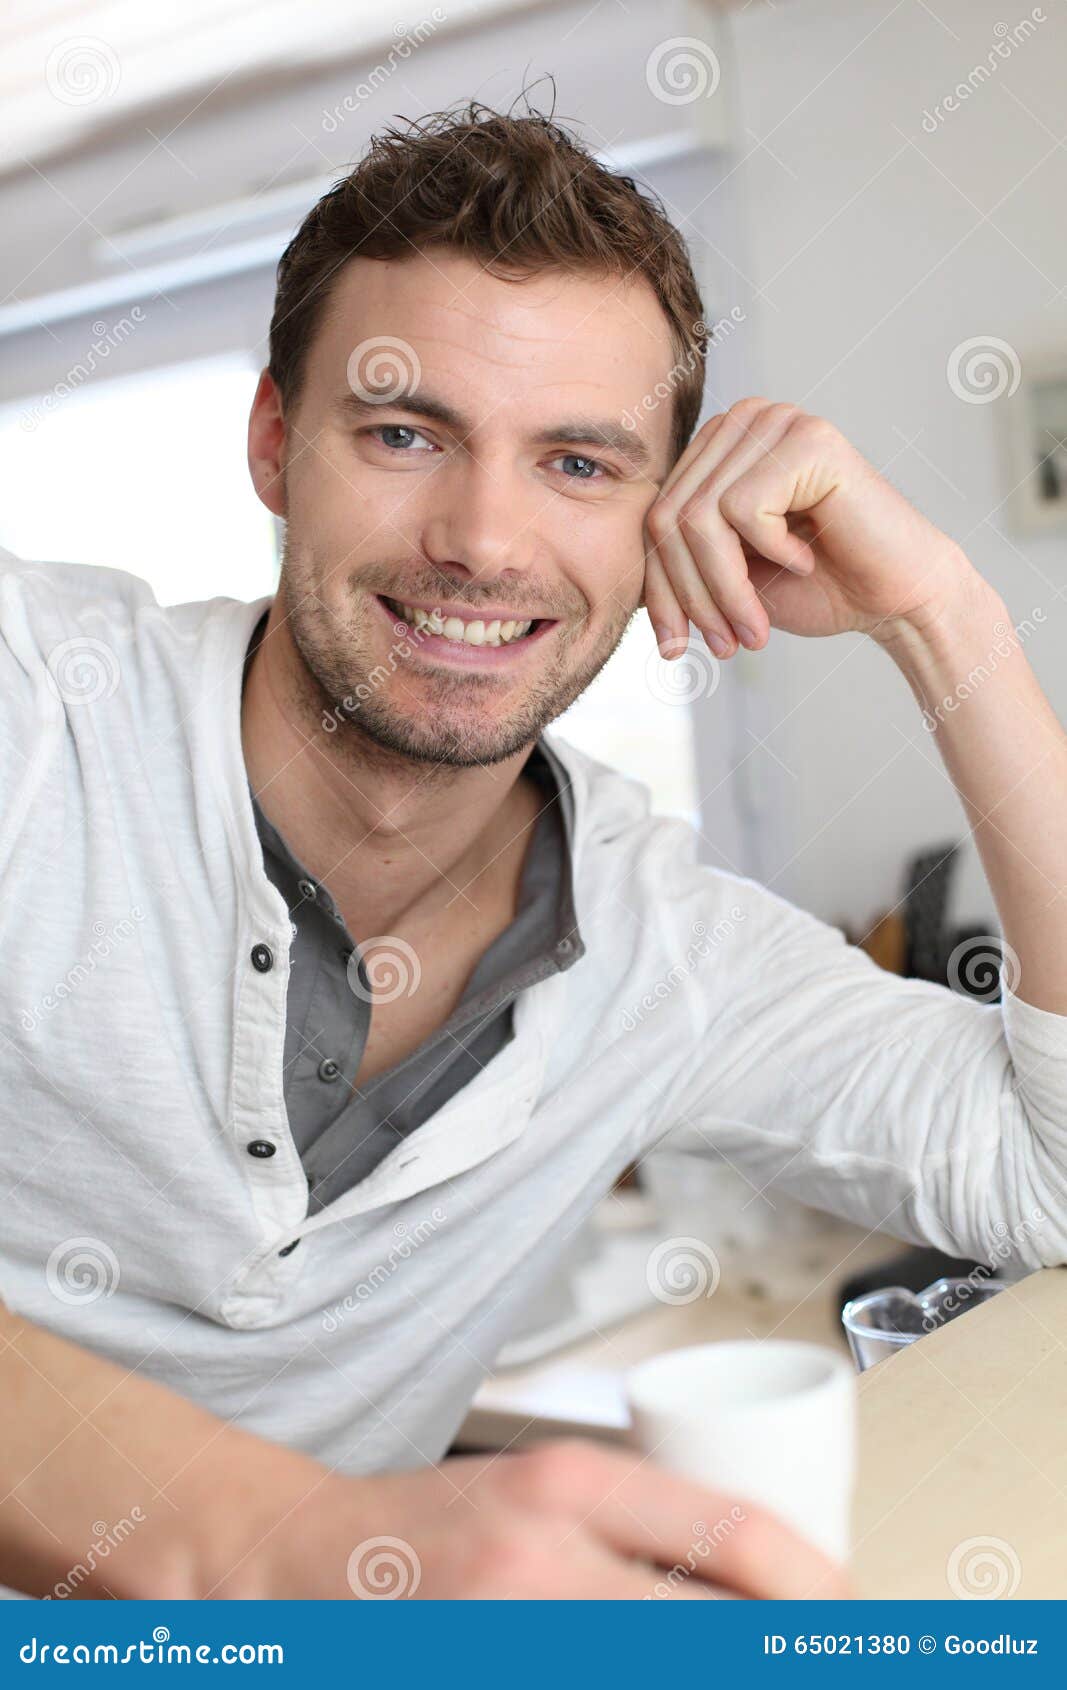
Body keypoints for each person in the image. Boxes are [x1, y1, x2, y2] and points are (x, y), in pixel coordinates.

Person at [2, 100, 1065, 1602]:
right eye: (402, 433)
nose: (484, 540)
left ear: (666, 519)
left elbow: (1056, 1176)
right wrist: (281, 1540)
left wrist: (942, 611)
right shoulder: (38, 711)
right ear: (270, 442)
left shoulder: (668, 946)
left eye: (578, 464)